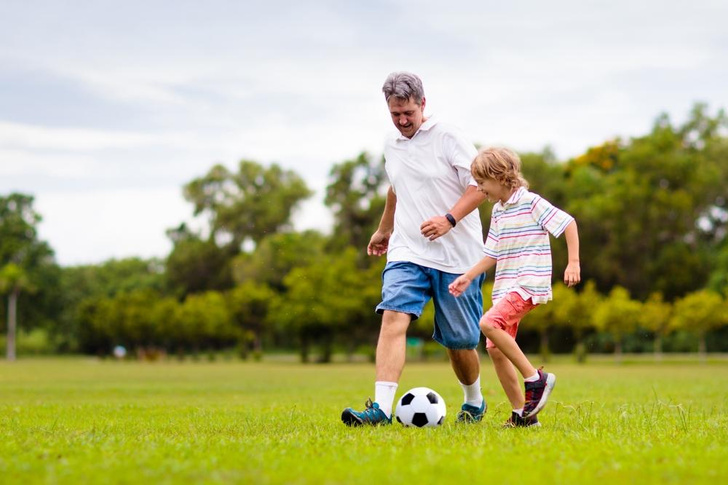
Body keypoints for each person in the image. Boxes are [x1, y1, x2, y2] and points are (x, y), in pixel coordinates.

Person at [341, 72, 489, 426]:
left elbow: (480, 185)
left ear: (423, 104)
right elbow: (396, 187)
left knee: (460, 342)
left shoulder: (448, 136)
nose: (403, 121)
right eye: (395, 114)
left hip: (458, 255)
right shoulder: (391, 143)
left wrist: (449, 219)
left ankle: (474, 400)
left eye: (408, 112)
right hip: (408, 249)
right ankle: (380, 409)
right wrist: (385, 228)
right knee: (393, 314)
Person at [449, 147, 581, 427]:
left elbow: (568, 223)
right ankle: (524, 416)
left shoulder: (531, 203)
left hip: (527, 283)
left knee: (488, 323)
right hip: (506, 287)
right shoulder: (498, 211)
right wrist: (468, 276)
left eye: (482, 183)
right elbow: (492, 253)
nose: (480, 189)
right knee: (495, 348)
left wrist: (573, 263)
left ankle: (536, 379)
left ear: (499, 177)